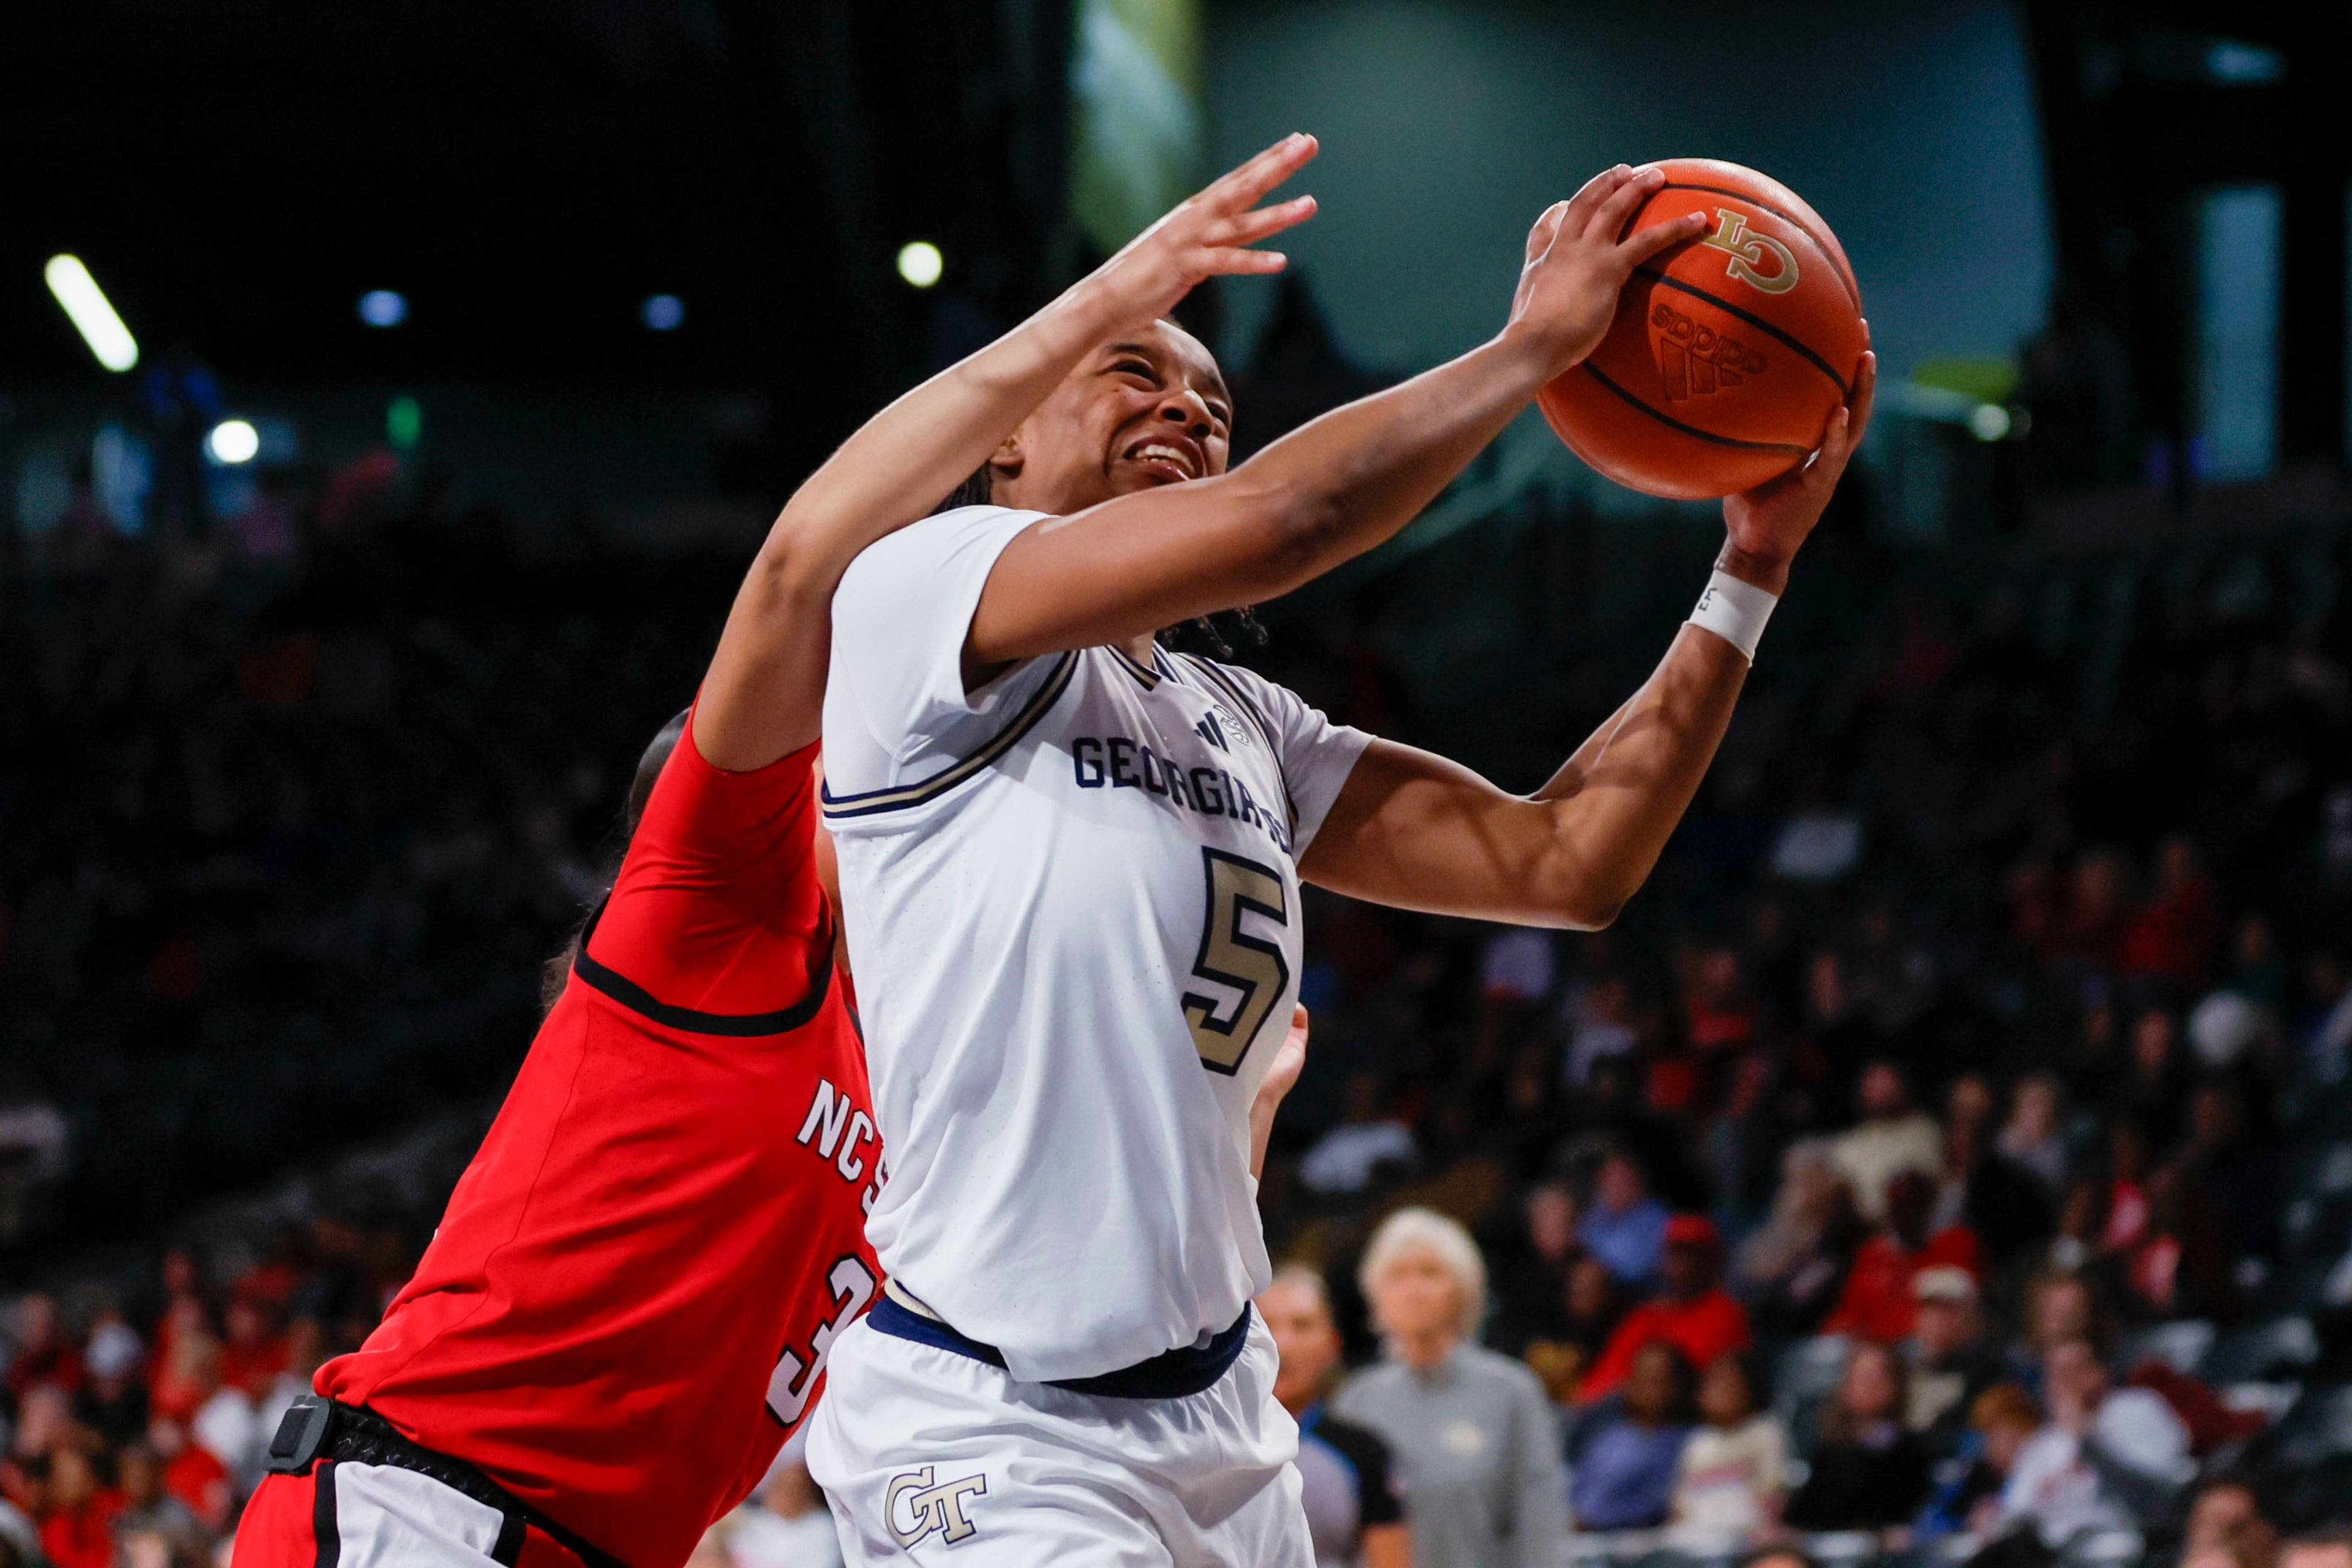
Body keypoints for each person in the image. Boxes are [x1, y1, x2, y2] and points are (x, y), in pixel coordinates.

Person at [229, 141, 1324, 1568]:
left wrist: (1225, 1123)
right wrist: (1093, 311)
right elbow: (810, 566)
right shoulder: (716, 921)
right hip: (425, 1513)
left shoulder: (928, 1065)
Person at [807, 140, 1873, 1568]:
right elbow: (1286, 521)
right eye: (1137, 372)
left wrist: (1749, 567)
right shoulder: (916, 602)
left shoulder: (1245, 722)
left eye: (1213, 401)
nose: (1186, 405)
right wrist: (1526, 352)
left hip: (1223, 1422)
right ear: (1006, 434)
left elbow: (1564, 859)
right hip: (989, 1417)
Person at [1333, 1209, 1567, 1568]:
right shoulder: (1356, 1401)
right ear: (1376, 1291)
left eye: (1430, 1272)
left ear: (1464, 1288)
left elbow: (1541, 1525)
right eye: (1398, 1275)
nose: (1414, 1290)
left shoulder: (1512, 1393)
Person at [1258, 1267, 1409, 1568]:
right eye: (1267, 1325)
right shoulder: (1212, 1446)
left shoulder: (1364, 1453)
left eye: (1302, 1326)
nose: (1283, 1345)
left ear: (1332, 1344)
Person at [1996, 1336, 2192, 1544]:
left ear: (2100, 1371)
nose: (2067, 1382)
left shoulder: (2136, 1408)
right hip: (2053, 1553)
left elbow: (2156, 1499)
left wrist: (2086, 1440)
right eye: (2057, 1374)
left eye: (2076, 1370)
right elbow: (2014, 1516)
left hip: (2126, 1542)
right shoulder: (2043, 1443)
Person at [1577, 1215, 1751, 1401]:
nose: (1682, 1265)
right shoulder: (1646, 1315)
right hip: (1626, 1416)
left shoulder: (1726, 1313)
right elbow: (1599, 1384)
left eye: (1692, 1255)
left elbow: (1691, 1382)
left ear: (1710, 1261)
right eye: (1675, 1253)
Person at [1782, 1340, 1933, 1532]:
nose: (1869, 1387)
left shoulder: (1911, 1450)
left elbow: (1911, 1513)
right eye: (1861, 1378)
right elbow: (1803, 1514)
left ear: (1896, 1385)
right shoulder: (1829, 1449)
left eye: (1877, 1379)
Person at [1822, 1169, 1979, 1342]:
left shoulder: (1956, 1244)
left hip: (1927, 1347)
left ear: (1929, 1205)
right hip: (1871, 1353)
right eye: (1898, 1207)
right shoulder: (1873, 1253)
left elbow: (1961, 1314)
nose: (1905, 1215)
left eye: (1914, 1206)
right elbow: (1848, 1313)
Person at [1665, 1352, 1787, 1554]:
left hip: (1746, 1537)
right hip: (1696, 1538)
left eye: (1730, 1385)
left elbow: (1772, 1494)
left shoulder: (1766, 1433)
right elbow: (1680, 1504)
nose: (1721, 1393)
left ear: (1748, 1389)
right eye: (1713, 1385)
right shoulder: (1697, 1442)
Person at [1568, 1340, 1693, 1532]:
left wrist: (1593, 1521)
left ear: (1676, 1387)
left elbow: (1656, 1502)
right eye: (1636, 1378)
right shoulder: (1610, 1434)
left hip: (1630, 1541)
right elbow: (1577, 1485)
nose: (1640, 1389)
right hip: (1578, 1534)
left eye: (1653, 1381)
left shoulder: (1683, 1442)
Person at [1829, 1060, 1943, 1223]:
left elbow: (1927, 1181)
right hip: (1853, 1228)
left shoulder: (1924, 1132)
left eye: (1887, 1083)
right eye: (1874, 1083)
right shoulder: (1849, 1143)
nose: (1881, 1091)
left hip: (1910, 1225)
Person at [1580, 1152, 1672, 1287]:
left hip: (1644, 1288)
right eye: (1609, 1182)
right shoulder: (1593, 1217)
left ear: (1638, 1183)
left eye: (1622, 1182)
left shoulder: (1658, 1219)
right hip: (1601, 1289)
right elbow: (1584, 1251)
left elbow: (1642, 1267)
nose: (1615, 1188)